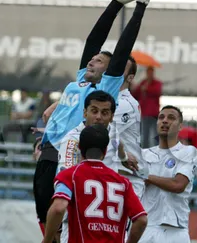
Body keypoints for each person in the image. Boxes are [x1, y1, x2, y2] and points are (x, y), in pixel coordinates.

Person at [34, 0, 155, 231]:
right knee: (45, 220)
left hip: (64, 154)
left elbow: (122, 51)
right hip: (46, 152)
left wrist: (139, 9)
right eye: (92, 58)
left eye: (99, 60)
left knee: (58, 221)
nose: (91, 60)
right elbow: (93, 41)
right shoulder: (80, 80)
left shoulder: (104, 91)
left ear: (109, 72)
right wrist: (115, 4)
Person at [56, 90, 139, 243]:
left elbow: (117, 142)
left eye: (104, 112)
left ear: (112, 117)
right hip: (81, 221)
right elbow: (66, 177)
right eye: (94, 111)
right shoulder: (72, 141)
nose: (99, 117)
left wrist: (124, 157)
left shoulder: (111, 130)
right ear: (84, 112)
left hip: (110, 222)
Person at [44, 124, 148, 243]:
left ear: (79, 147)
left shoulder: (69, 176)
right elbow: (141, 220)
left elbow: (58, 208)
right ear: (105, 151)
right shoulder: (123, 182)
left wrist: (47, 240)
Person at [137, 105, 197, 243]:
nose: (165, 121)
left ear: (180, 126)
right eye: (161, 117)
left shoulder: (188, 152)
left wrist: (147, 177)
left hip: (175, 230)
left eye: (171, 118)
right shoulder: (143, 154)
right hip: (146, 227)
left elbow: (178, 185)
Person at [104, 55, 145, 199]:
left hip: (127, 181)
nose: (115, 70)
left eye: (121, 68)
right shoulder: (106, 99)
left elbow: (102, 132)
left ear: (130, 78)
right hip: (111, 178)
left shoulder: (125, 103)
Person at [132, 66, 163, 148]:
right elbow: (136, 94)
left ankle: (157, 150)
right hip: (145, 113)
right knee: (145, 134)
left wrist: (146, 89)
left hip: (154, 113)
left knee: (155, 134)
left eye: (151, 72)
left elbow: (157, 92)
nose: (149, 74)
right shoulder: (143, 83)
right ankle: (145, 150)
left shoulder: (157, 83)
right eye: (148, 72)